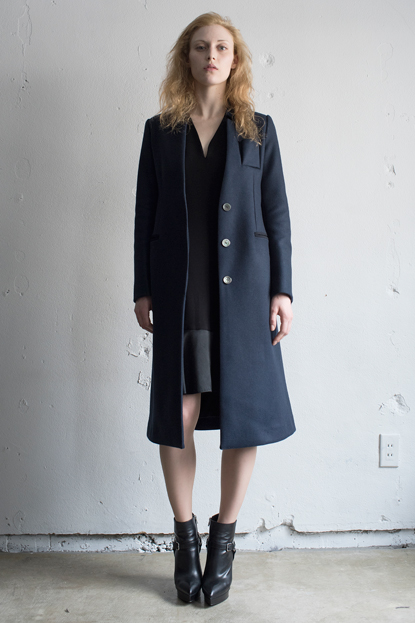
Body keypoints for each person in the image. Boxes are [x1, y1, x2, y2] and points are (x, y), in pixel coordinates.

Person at [133, 11, 295, 607]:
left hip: (244, 291)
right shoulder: (160, 131)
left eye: (222, 47)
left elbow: (276, 215)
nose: (211, 56)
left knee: (242, 414)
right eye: (201, 46)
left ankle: (223, 540)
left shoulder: (259, 130)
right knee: (179, 413)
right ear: (188, 57)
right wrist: (142, 287)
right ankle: (185, 539)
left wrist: (283, 291)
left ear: (235, 58)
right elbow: (145, 213)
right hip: (182, 289)